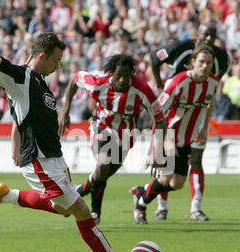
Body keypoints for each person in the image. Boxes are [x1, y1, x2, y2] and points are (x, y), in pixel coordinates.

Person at [0, 19, 140, 252]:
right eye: (55, 60)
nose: (57, 66)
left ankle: (6, 194)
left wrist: (15, 143)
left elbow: (20, 116)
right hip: (40, 160)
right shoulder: (21, 77)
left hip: (54, 158)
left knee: (61, 209)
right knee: (82, 211)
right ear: (41, 55)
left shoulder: (39, 82)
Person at [59, 53, 166, 225]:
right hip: (101, 127)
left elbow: (160, 120)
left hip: (126, 136)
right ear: (111, 74)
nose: (123, 80)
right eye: (118, 76)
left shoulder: (142, 89)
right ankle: (95, 213)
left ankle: (78, 194)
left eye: (126, 76)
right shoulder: (98, 83)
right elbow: (74, 79)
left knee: (102, 175)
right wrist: (65, 110)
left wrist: (157, 150)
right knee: (103, 165)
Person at [148, 22, 230, 222]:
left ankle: (196, 208)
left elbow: (210, 91)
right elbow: (153, 58)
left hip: (198, 117)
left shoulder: (221, 58)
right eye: (205, 34)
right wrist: (160, 85)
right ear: (198, 33)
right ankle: (161, 206)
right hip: (175, 111)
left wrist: (206, 121)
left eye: (213, 35)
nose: (209, 39)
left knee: (196, 160)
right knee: (168, 165)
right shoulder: (179, 48)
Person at [130, 44, 219, 224]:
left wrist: (203, 127)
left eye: (208, 63)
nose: (204, 66)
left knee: (177, 184)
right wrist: (161, 142)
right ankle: (141, 205)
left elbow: (208, 105)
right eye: (201, 61)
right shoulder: (177, 83)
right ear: (193, 62)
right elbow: (158, 113)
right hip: (168, 133)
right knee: (164, 178)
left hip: (186, 138)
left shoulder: (213, 83)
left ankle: (142, 190)